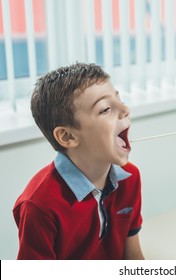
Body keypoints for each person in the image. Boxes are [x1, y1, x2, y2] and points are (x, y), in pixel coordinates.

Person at [13, 62, 144, 260]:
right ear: (67, 137)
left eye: (120, 100)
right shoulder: (38, 206)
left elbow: (133, 259)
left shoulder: (130, 177)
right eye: (105, 109)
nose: (125, 109)